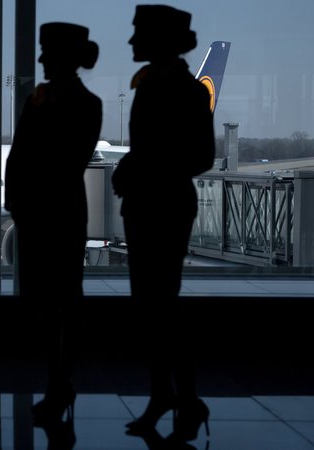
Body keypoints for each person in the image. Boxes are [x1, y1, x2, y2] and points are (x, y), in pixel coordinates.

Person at [111, 4, 215, 443]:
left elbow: (201, 157)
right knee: (153, 306)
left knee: (162, 306)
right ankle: (171, 396)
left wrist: (141, 167)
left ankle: (179, 396)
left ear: (160, 43)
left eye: (139, 35)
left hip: (164, 206)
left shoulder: (185, 92)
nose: (132, 43)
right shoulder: (153, 85)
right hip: (148, 204)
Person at [4, 22, 102, 425]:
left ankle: (61, 383)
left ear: (65, 57)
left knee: (64, 301)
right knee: (48, 303)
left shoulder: (83, 104)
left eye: (47, 52)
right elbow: (19, 157)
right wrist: (15, 203)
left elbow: (62, 161)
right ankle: (56, 382)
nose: (41, 58)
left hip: (57, 213)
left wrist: (25, 198)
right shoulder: (41, 100)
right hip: (42, 211)